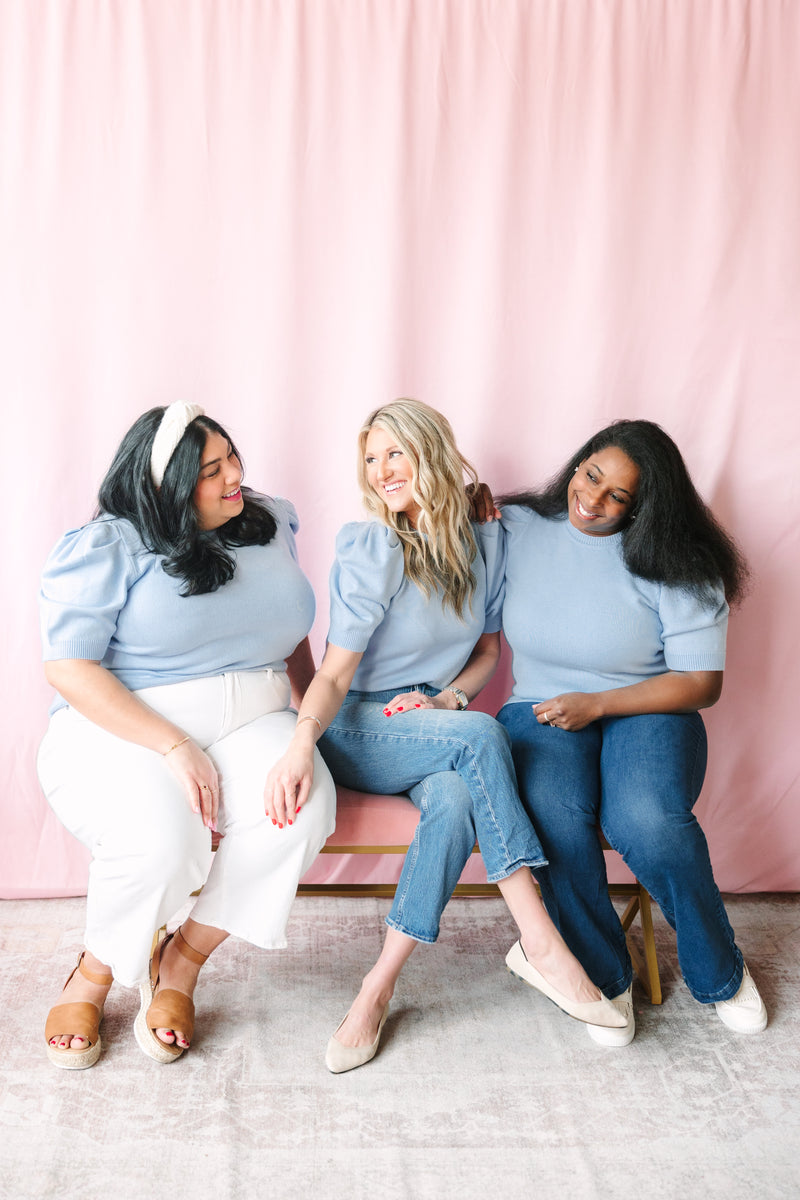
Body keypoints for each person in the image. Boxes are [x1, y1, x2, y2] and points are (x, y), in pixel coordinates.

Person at [266, 398, 626, 1074]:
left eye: (395, 453)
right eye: (371, 459)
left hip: (432, 721)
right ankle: (542, 943)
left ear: (430, 451)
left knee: (459, 797)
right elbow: (337, 671)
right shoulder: (372, 547)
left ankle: (375, 989)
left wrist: (448, 697)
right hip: (356, 725)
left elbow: (487, 653)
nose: (381, 472)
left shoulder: (483, 539)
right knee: (482, 736)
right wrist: (300, 741)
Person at [38, 402, 336, 1068]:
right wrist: (174, 746)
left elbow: (290, 633)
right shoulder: (109, 543)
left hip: (256, 717)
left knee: (302, 811)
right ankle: (93, 972)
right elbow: (68, 666)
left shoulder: (268, 520)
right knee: (161, 843)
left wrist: (311, 721)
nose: (235, 475)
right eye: (211, 470)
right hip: (129, 728)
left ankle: (181, 961)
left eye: (232, 456)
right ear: (165, 486)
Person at [494, 418, 767, 1047]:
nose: (593, 500)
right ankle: (603, 975)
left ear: (648, 507)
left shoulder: (679, 560)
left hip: (651, 708)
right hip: (539, 704)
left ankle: (720, 972)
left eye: (619, 496)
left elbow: (701, 682)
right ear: (578, 462)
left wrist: (598, 704)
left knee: (645, 818)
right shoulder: (519, 527)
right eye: (591, 476)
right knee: (554, 812)